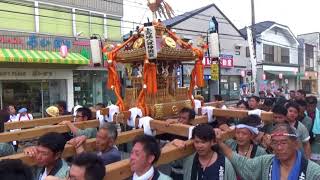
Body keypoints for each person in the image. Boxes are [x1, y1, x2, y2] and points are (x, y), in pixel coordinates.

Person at [217, 123, 320, 180]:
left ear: (295, 144)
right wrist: (220, 143)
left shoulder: (313, 171)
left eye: (284, 143)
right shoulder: (266, 162)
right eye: (275, 143)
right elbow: (242, 163)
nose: (279, 148)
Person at [305, 96, 320, 164]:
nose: (310, 108)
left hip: (316, 141)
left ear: (316, 105)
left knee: (315, 162)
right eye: (308, 106)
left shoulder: (318, 114)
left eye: (312, 106)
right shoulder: (302, 114)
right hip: (304, 140)